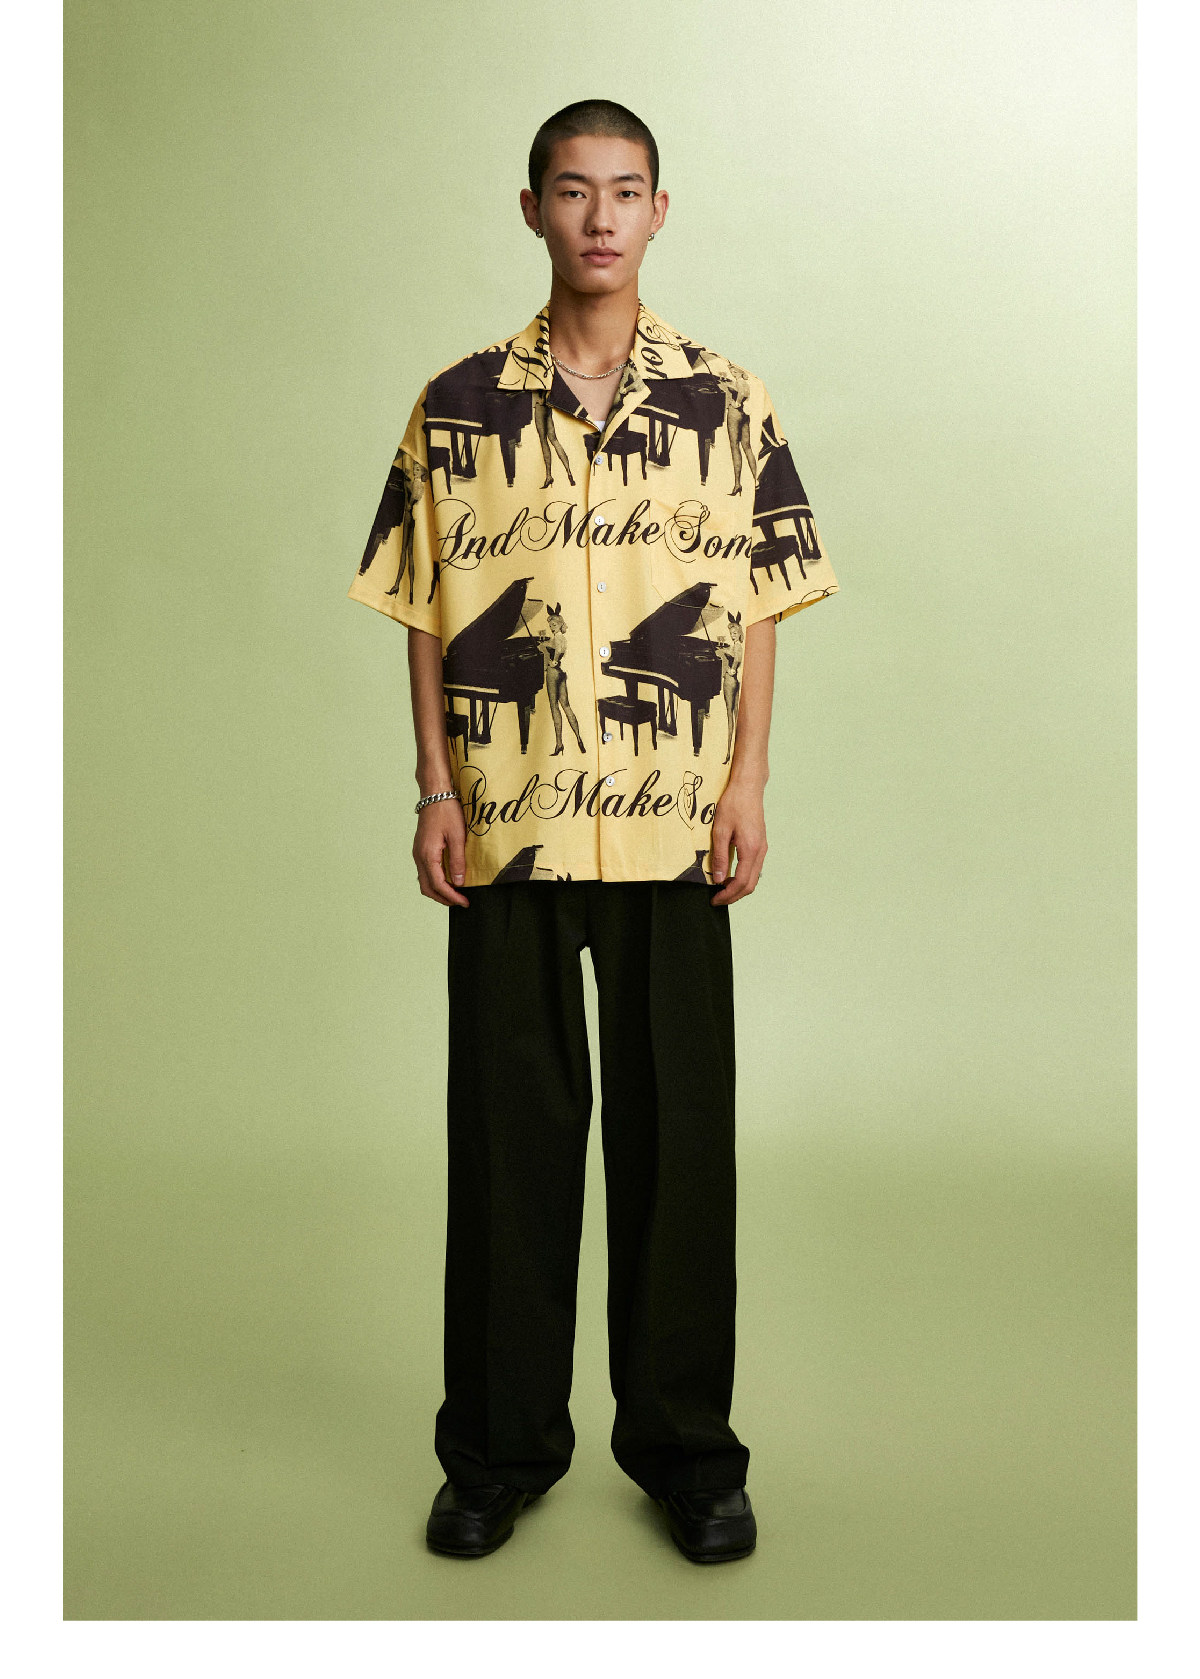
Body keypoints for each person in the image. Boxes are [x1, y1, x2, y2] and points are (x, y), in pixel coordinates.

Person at [348, 99, 839, 1564]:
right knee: (509, 1140)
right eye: (574, 191)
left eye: (627, 191)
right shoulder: (456, 405)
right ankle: (498, 1451)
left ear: (660, 211)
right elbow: (426, 609)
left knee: (680, 1140)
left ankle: (687, 1452)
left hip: (675, 822)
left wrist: (748, 782)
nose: (601, 217)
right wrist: (435, 789)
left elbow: (757, 606)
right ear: (533, 210)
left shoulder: (728, 401)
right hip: (508, 823)